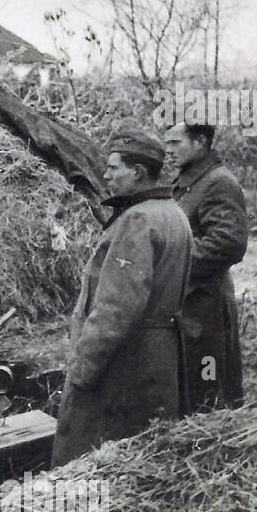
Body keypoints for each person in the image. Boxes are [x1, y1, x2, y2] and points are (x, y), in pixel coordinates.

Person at [52, 131, 193, 467]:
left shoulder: (138, 219)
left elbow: (116, 309)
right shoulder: (173, 212)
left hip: (126, 364)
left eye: (114, 168)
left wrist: (82, 370)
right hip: (159, 359)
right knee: (144, 461)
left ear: (138, 173)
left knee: (91, 461)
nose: (106, 175)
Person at [163, 123, 249, 411]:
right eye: (167, 143)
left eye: (176, 143)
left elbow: (228, 243)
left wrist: (169, 262)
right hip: (187, 300)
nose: (168, 150)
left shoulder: (219, 182)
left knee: (208, 389)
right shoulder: (189, 182)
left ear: (200, 142)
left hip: (205, 304)